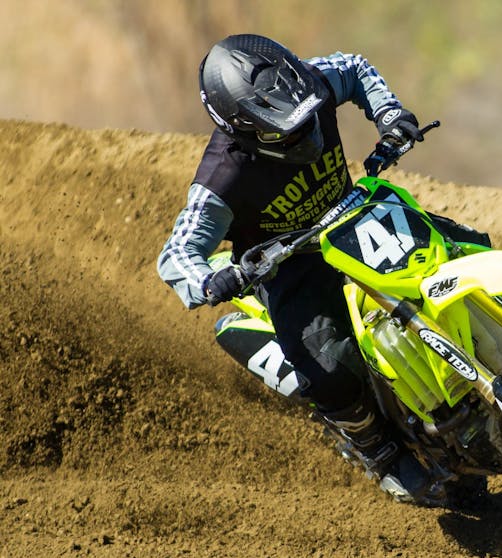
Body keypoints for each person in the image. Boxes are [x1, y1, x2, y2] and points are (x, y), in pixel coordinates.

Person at [157, 34, 454, 505]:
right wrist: (212, 281)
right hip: (291, 265)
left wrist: (389, 113)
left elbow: (354, 66)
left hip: (356, 220)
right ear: (245, 131)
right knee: (330, 369)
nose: (303, 135)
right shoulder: (223, 177)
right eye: (285, 132)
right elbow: (176, 253)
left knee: (461, 247)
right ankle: (377, 450)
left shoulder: (309, 82)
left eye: (307, 120)